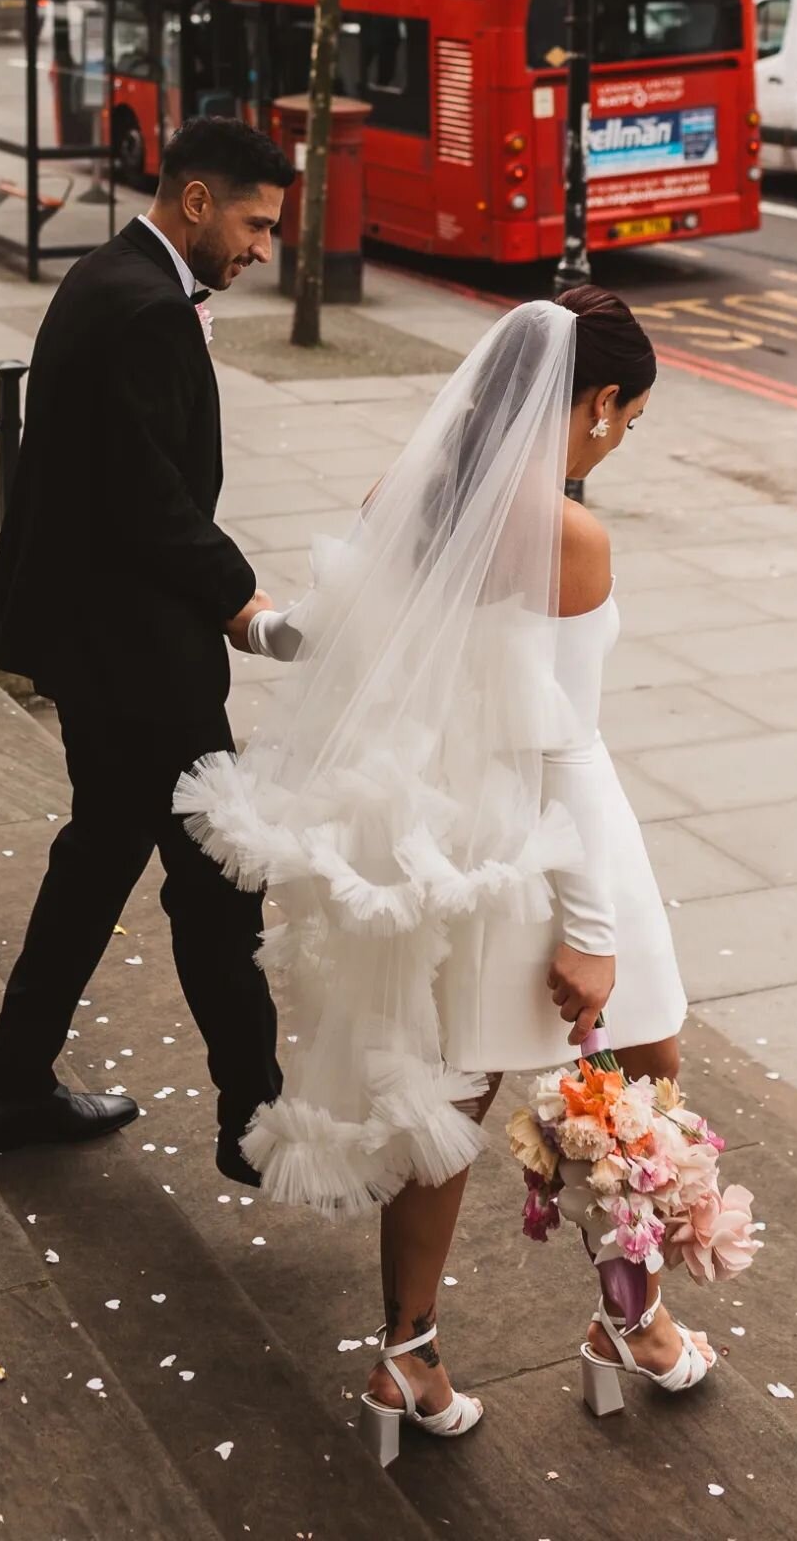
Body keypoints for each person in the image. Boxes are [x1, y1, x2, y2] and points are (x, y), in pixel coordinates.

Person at [176, 287, 715, 1460]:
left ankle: (407, 1359)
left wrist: (260, 623)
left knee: (454, 1091)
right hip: (555, 836)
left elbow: (342, 640)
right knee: (635, 1064)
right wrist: (589, 925)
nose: (618, 442)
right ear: (601, 402)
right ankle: (633, 1324)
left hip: (444, 838)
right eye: (625, 420)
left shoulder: (404, 496)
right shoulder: (568, 535)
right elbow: (562, 738)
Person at [0, 116, 296, 1183]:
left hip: (100, 646)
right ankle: (257, 1122)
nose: (261, 248)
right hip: (142, 664)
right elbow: (148, 500)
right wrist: (244, 601)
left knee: (99, 862)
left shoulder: (111, 277)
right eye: (254, 223)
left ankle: (12, 1086)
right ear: (195, 201)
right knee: (219, 889)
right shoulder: (144, 308)